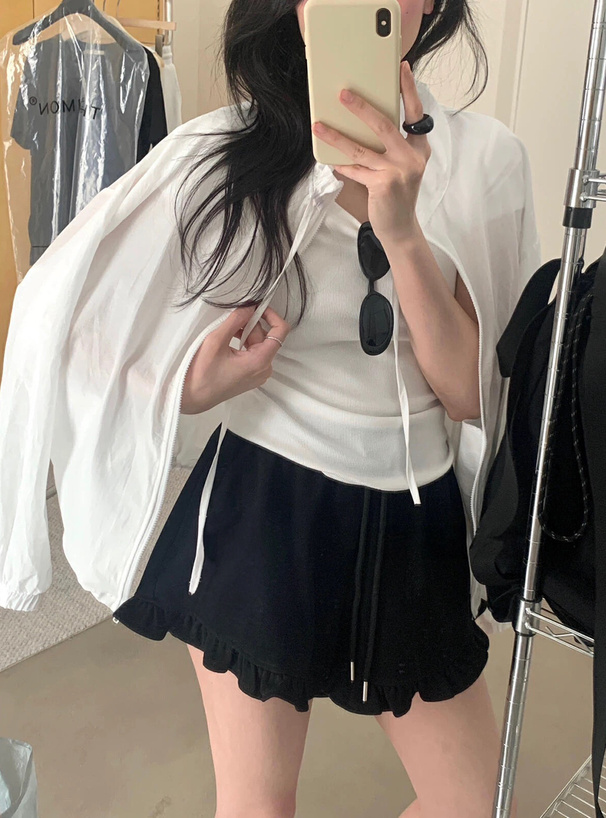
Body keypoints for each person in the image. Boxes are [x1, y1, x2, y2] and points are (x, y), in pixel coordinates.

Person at [106, 1, 527, 817]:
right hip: (265, 505)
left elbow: (472, 394)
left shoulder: (486, 159)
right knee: (258, 807)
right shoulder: (228, 150)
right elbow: (84, 328)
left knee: (475, 803)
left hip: (415, 513)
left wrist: (403, 232)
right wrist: (196, 387)